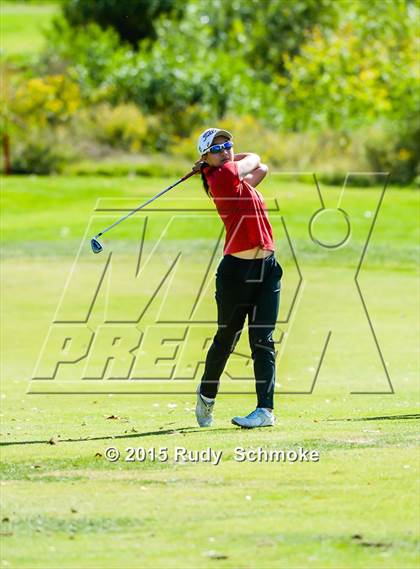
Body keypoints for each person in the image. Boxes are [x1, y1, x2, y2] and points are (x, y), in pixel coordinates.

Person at [193, 128, 283, 429]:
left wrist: (207, 162)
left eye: (229, 145)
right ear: (206, 155)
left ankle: (265, 411)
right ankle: (206, 395)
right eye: (217, 148)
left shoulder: (233, 178)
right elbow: (256, 159)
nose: (227, 151)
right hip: (235, 275)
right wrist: (210, 167)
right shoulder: (221, 179)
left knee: (263, 340)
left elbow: (262, 169)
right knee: (227, 339)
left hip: (268, 270)